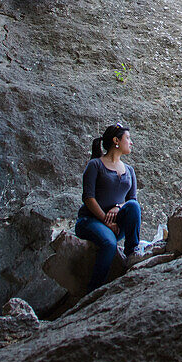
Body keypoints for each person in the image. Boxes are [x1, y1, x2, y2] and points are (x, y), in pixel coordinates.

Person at [74, 121, 142, 291]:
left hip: (115, 224)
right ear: (116, 141)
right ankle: (94, 291)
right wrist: (105, 219)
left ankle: (132, 253)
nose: (131, 142)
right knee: (109, 244)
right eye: (128, 138)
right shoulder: (95, 165)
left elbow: (131, 199)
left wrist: (118, 207)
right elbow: (88, 198)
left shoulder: (129, 170)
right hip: (90, 221)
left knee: (133, 206)